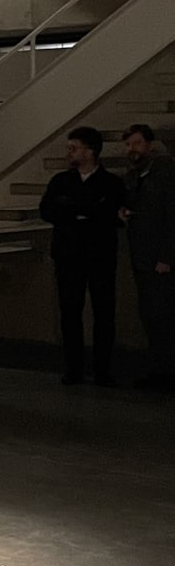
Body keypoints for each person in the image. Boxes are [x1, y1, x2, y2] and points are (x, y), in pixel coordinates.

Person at [39, 126, 123, 386]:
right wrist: (87, 210)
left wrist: (74, 210)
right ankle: (73, 368)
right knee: (70, 313)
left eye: (74, 148)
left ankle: (102, 369)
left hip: (100, 255)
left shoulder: (111, 183)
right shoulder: (61, 181)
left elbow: (110, 214)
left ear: (91, 151)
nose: (69, 153)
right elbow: (47, 210)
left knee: (104, 313)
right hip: (68, 255)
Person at [121, 124, 175, 390]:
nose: (132, 149)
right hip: (142, 255)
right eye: (129, 144)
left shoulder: (164, 173)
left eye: (137, 143)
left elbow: (171, 216)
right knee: (151, 316)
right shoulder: (134, 176)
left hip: (159, 258)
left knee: (162, 315)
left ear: (149, 144)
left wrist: (167, 256)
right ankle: (159, 369)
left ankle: (165, 371)